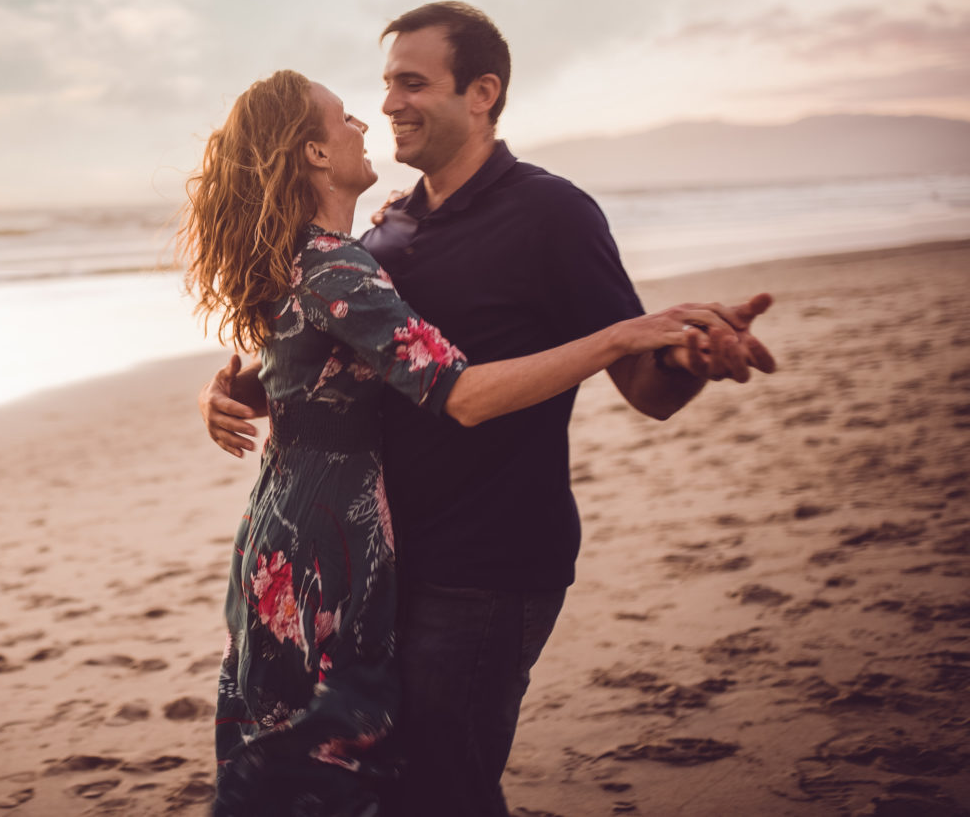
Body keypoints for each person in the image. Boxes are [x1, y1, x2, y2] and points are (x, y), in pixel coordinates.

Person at [179, 68, 758, 816]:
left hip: (282, 526)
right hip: (326, 542)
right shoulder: (338, 261)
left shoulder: (310, 253)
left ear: (482, 91)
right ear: (314, 156)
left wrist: (226, 390)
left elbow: (298, 371)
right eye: (346, 115)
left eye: (402, 86)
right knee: (329, 752)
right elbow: (463, 394)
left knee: (292, 737)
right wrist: (620, 334)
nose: (368, 120)